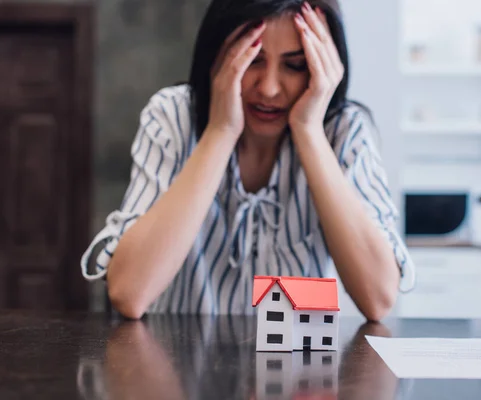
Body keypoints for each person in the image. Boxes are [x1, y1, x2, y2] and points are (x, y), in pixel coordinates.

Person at [81, 0, 416, 320]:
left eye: (295, 65)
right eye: (252, 58)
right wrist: (221, 131)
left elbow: (378, 298)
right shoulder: (173, 116)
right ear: (216, 55)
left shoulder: (345, 130)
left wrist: (309, 131)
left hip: (296, 373)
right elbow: (129, 292)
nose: (269, 88)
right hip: (179, 370)